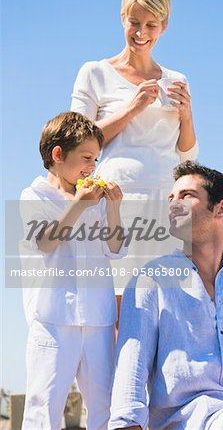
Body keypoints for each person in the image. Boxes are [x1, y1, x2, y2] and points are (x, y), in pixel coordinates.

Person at [109, 161, 223, 430]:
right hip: (189, 422)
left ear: (221, 208)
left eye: (186, 195)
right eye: (171, 197)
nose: (173, 203)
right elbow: (131, 371)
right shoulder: (148, 279)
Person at [70, 0, 199, 292]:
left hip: (164, 202)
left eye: (151, 25)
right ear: (122, 18)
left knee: (165, 302)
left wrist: (187, 115)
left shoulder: (176, 80)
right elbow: (77, 143)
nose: (141, 33)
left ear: (164, 26)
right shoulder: (95, 72)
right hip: (115, 200)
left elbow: (188, 157)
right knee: (115, 300)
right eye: (135, 22)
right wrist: (132, 108)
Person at [20, 111, 126, 430]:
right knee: (44, 406)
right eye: (86, 158)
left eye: (96, 159)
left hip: (98, 319)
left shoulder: (95, 200)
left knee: (105, 406)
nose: (92, 167)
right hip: (53, 321)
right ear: (57, 155)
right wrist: (79, 204)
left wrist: (113, 207)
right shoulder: (33, 196)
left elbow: (115, 249)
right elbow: (45, 242)